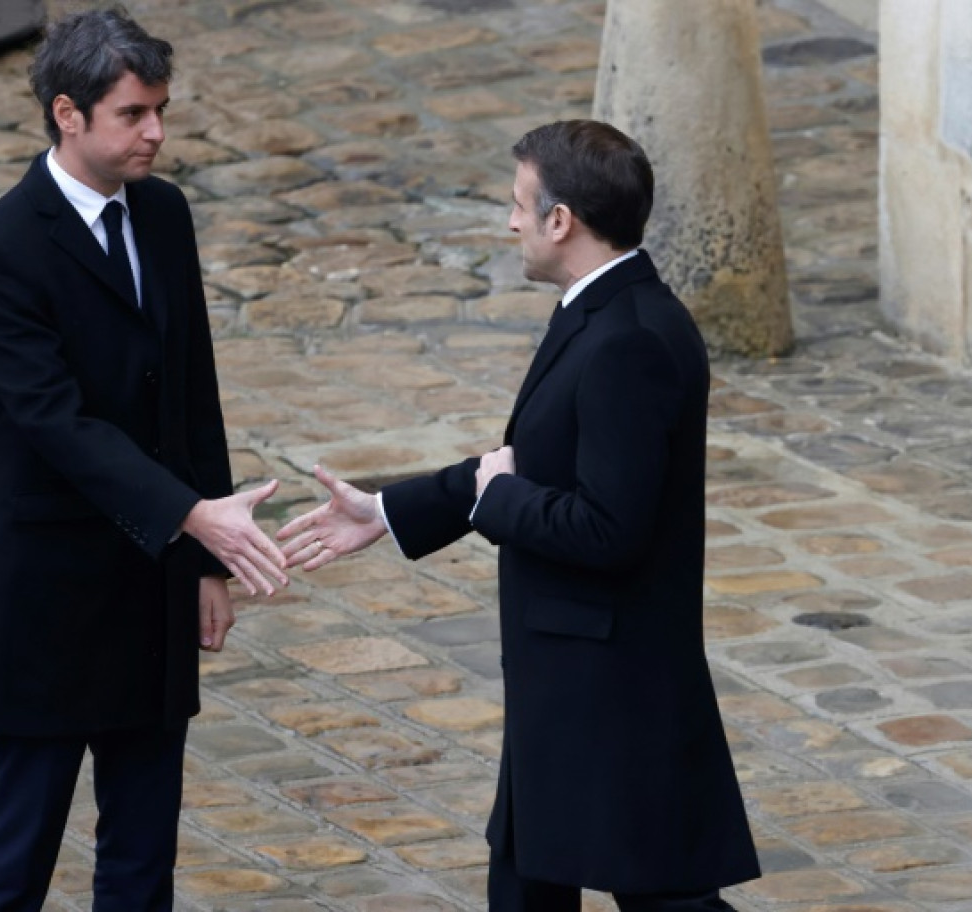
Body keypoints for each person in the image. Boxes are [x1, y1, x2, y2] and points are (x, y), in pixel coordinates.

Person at [278, 120, 759, 911]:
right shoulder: (603, 313)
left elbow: (608, 528)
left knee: (663, 899)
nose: (510, 222)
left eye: (519, 205)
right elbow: (539, 461)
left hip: (611, 686)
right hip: (572, 675)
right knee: (530, 878)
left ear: (561, 220)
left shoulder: (627, 342)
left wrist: (496, 499)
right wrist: (393, 510)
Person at [0, 9, 288, 911]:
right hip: (48, 597)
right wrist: (192, 514)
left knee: (143, 854)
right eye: (135, 114)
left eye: (160, 110)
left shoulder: (166, 214)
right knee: (18, 851)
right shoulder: (0, 247)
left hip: (151, 584)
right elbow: (52, 421)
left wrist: (206, 558)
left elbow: (190, 391)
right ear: (68, 113)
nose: (157, 133)